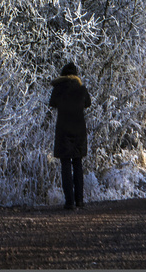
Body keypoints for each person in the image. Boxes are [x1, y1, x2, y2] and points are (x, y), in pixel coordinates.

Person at [48, 62, 92, 209]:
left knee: (65, 164)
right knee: (78, 164)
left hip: (63, 130)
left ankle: (69, 202)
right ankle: (80, 200)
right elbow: (88, 103)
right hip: (79, 130)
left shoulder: (58, 89)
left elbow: (52, 103)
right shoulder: (81, 89)